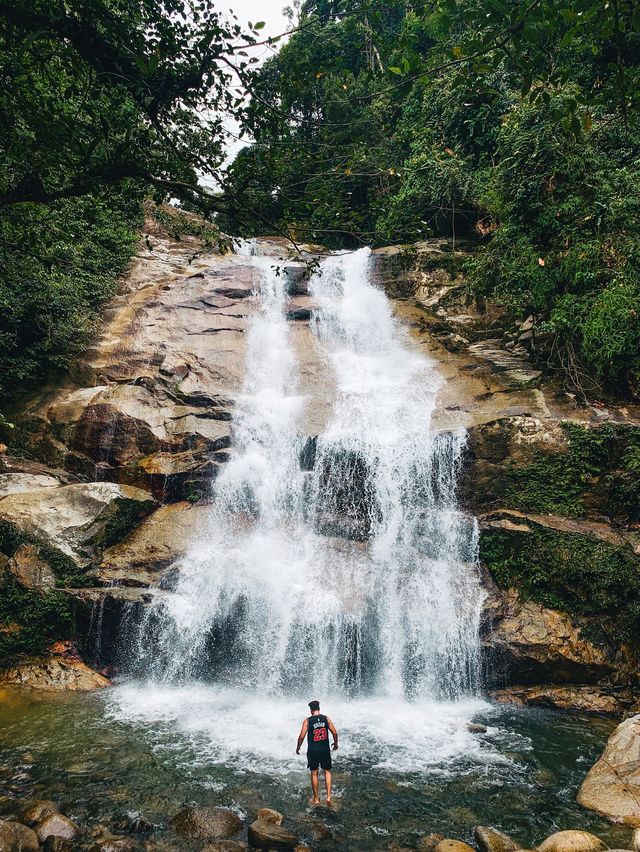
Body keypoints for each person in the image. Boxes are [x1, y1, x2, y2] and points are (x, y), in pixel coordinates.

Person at [296, 699, 338, 806]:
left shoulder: (307, 721)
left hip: (313, 751)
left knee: (314, 773)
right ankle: (328, 797)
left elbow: (301, 736)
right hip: (325, 750)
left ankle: (316, 799)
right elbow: (334, 732)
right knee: (327, 771)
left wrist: (298, 748)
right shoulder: (326, 719)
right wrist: (336, 743)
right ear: (319, 708)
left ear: (311, 710)